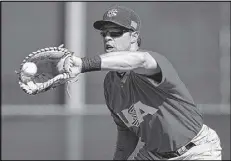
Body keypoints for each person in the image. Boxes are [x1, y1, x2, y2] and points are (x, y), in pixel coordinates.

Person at [69, 5, 222, 160]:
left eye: (115, 32)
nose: (108, 37)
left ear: (134, 36)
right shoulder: (110, 84)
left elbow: (140, 61)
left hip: (195, 151)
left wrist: (84, 64)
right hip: (154, 154)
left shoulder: (152, 63)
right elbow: (127, 131)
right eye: (104, 33)